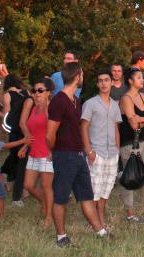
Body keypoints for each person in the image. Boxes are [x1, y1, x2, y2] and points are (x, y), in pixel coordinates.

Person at [46, 61, 108, 247]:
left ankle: (101, 233)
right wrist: (56, 152)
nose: (83, 77)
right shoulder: (58, 101)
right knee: (61, 197)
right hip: (64, 156)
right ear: (76, 76)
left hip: (79, 155)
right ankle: (61, 237)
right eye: (82, 74)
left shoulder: (76, 100)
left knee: (86, 195)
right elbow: (50, 134)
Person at [81, 70, 122, 230]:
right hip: (96, 152)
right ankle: (95, 222)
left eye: (107, 80)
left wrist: (118, 150)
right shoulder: (90, 104)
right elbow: (83, 128)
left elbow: (116, 128)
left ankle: (101, 218)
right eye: (101, 80)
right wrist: (89, 151)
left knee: (106, 188)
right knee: (94, 189)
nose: (104, 83)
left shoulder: (115, 105)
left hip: (112, 153)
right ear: (97, 84)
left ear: (112, 82)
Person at [119, 68, 144, 223]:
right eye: (138, 77)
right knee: (130, 177)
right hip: (130, 143)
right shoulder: (125, 98)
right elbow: (132, 124)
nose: (142, 80)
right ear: (130, 80)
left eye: (142, 77)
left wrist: (141, 119)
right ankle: (130, 214)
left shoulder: (143, 96)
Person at [0, 75, 30, 205]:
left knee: (15, 158)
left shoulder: (8, 96)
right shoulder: (26, 93)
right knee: (20, 160)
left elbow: (7, 118)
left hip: (16, 131)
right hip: (27, 129)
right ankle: (14, 185)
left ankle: (8, 180)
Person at [19, 78, 55, 228]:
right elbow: (30, 131)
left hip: (47, 153)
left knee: (47, 186)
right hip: (34, 152)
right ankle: (45, 203)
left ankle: (49, 217)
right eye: (35, 91)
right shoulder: (33, 108)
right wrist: (25, 146)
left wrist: (53, 150)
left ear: (48, 93)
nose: (37, 94)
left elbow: (54, 131)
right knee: (28, 185)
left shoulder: (52, 108)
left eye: (41, 90)